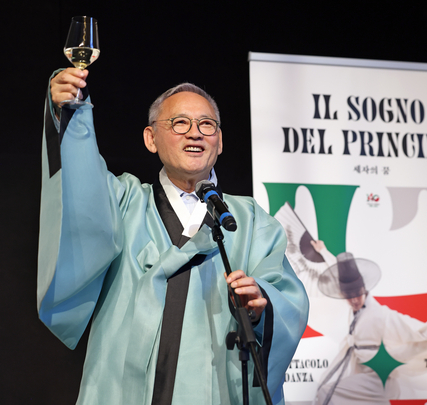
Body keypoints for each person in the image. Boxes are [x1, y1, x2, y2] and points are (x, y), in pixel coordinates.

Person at [37, 68, 309, 405]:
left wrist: (259, 303)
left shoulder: (250, 220)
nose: (194, 134)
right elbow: (80, 190)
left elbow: (285, 296)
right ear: (151, 138)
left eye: (206, 125)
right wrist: (70, 113)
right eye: (179, 123)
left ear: (220, 141)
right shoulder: (124, 202)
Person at [309, 242, 427, 405]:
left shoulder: (379, 313)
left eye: (357, 293)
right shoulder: (355, 310)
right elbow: (339, 273)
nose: (354, 300)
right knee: (327, 391)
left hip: (378, 379)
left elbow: (406, 325)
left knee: (326, 392)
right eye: (348, 295)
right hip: (363, 374)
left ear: (364, 288)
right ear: (342, 294)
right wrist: (323, 251)